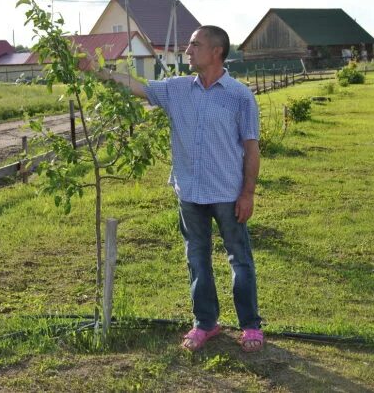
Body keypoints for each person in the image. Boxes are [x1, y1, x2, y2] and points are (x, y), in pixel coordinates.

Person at [98, 25, 263, 352]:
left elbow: (252, 148)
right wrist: (100, 72)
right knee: (196, 259)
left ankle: (250, 327)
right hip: (189, 192)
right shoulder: (177, 89)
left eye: (194, 45)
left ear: (216, 51)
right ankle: (205, 324)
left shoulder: (239, 96)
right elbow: (137, 86)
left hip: (228, 193)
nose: (187, 51)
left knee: (239, 259)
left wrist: (247, 193)